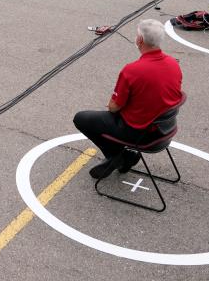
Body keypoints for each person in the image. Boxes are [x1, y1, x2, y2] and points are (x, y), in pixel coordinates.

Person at [72, 19, 183, 180]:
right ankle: (120, 157)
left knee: (81, 118)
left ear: (139, 40)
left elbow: (114, 107)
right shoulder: (173, 63)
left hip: (139, 132)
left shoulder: (132, 70)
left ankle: (118, 156)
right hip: (164, 128)